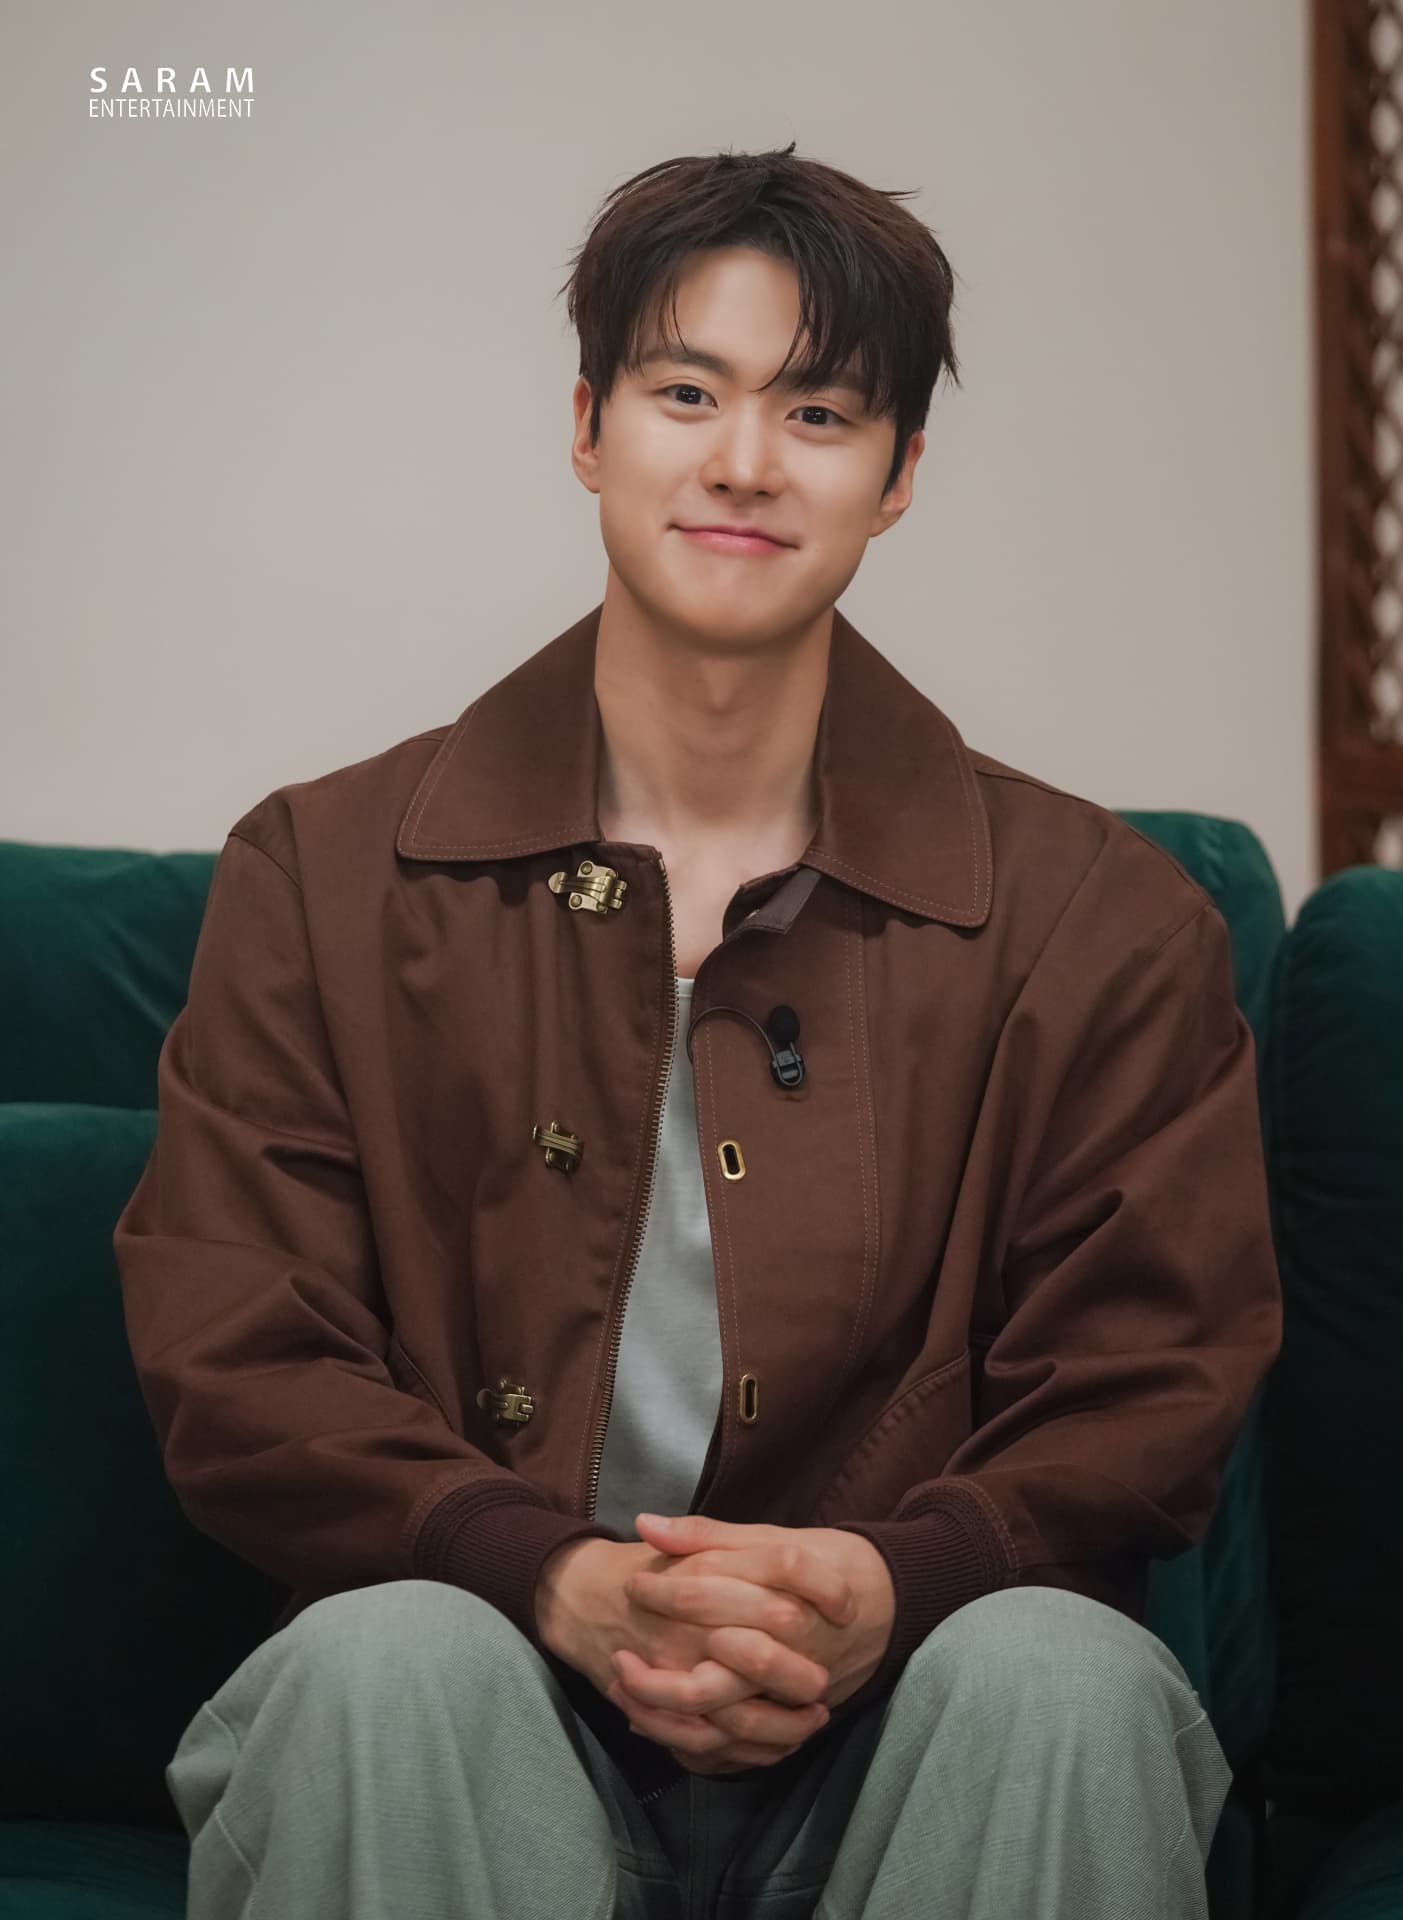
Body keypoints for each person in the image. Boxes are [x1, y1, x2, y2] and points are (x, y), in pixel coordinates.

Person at [113, 143, 1282, 1919]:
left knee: (1067, 1683)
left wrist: (886, 1585)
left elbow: (1152, 1379)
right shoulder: (321, 875)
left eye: (818, 413)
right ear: (588, 426)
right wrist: (550, 1576)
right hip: (475, 1718)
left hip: (917, 1730)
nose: (745, 461)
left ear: (898, 478)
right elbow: (239, 1348)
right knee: (381, 1664)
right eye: (687, 393)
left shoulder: (1105, 918)